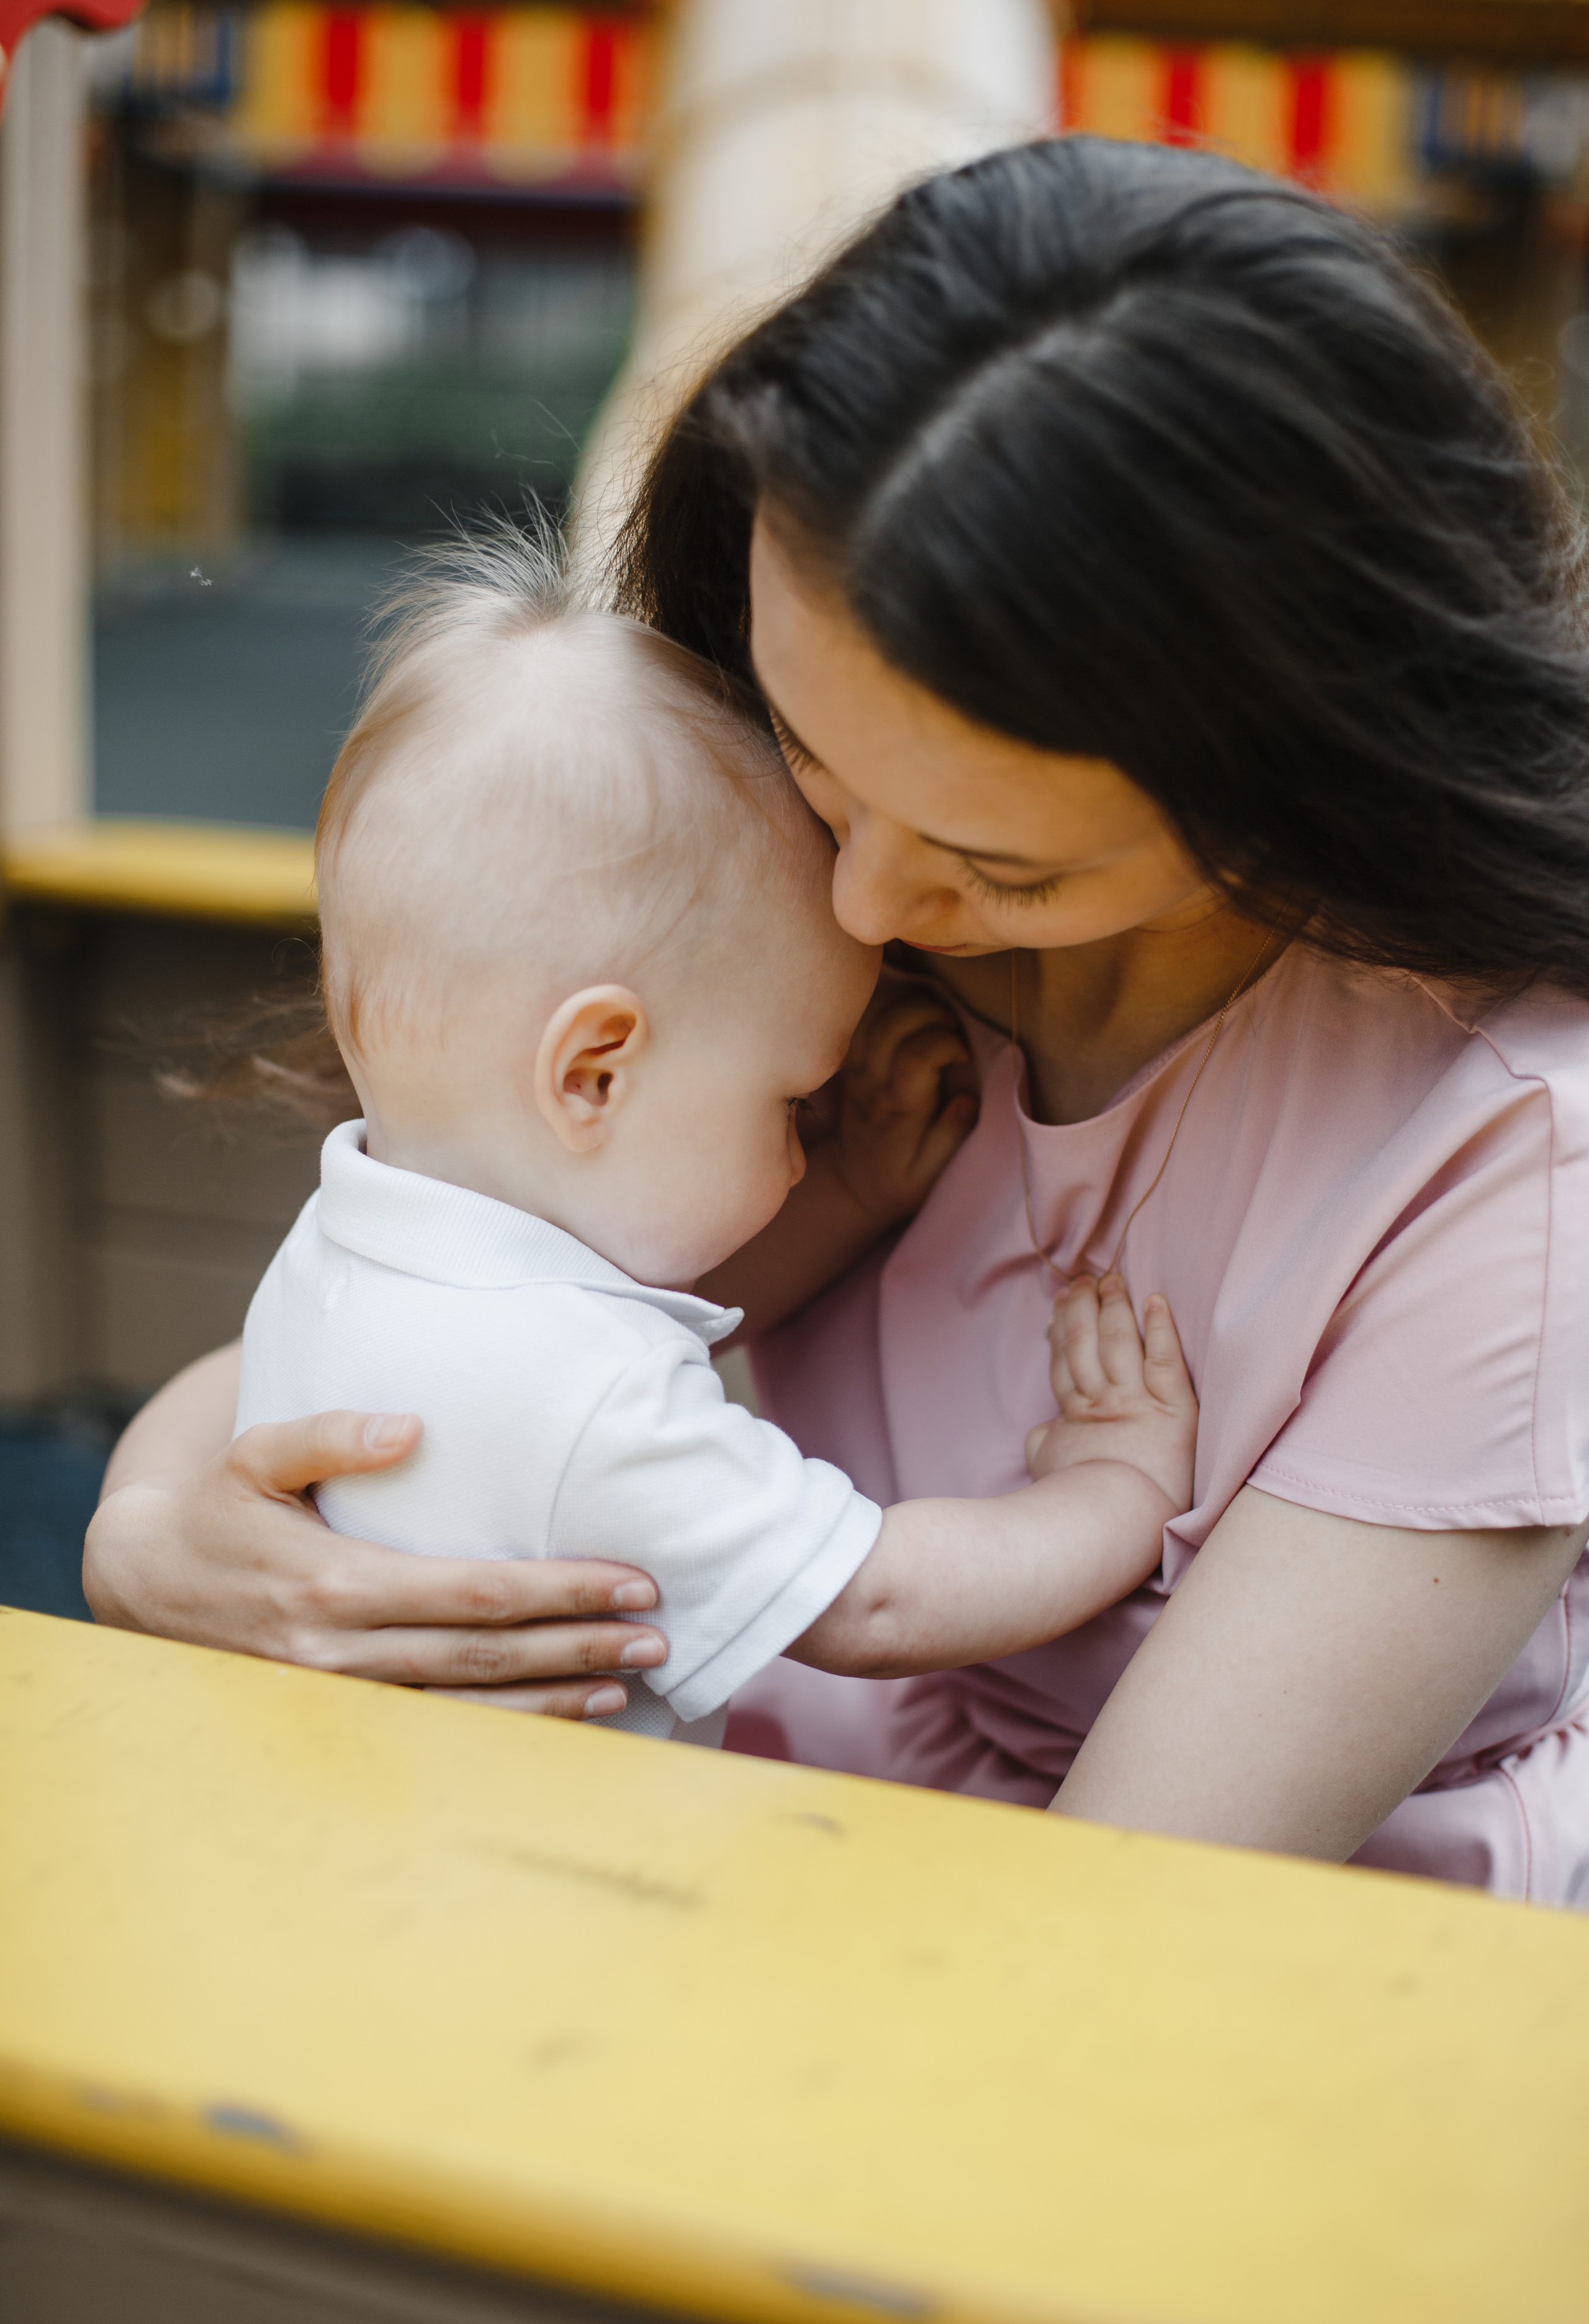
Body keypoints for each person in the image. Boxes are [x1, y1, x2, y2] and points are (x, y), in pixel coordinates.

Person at [88, 136, 1589, 1901]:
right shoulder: (765, 900)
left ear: (1300, 780)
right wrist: (151, 1537)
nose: (865, 909)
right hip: (794, 1810)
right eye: (811, 751)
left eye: (992, 864)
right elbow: (441, 1321)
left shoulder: (1512, 1156)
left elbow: (1130, 1899)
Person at [236, 536, 1198, 1745]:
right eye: (790, 1104)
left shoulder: (344, 1243)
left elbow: (646, 1289)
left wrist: (845, 1197)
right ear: (592, 1074)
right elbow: (878, 1602)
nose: (805, 1146)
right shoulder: (585, 1392)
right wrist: (1118, 1485)